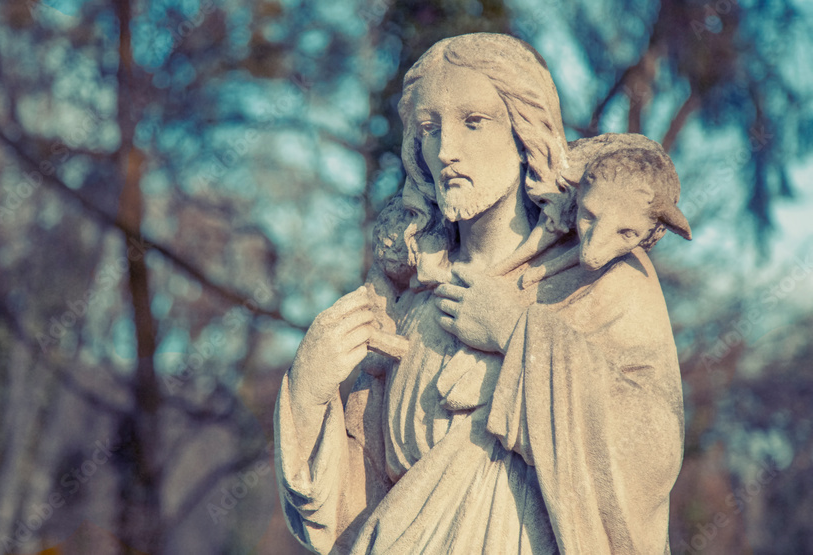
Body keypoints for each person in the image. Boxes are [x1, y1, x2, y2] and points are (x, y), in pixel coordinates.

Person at [275, 33, 684, 554]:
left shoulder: (600, 279)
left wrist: (520, 334)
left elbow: (652, 454)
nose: (446, 150)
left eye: (474, 122)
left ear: (524, 132)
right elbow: (346, 511)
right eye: (429, 128)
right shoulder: (410, 299)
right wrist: (308, 394)